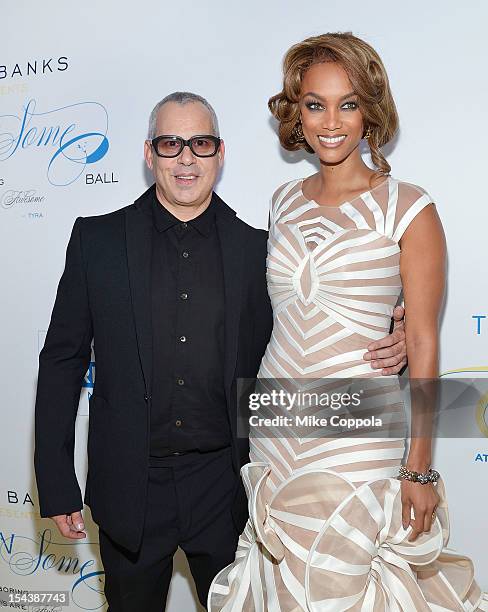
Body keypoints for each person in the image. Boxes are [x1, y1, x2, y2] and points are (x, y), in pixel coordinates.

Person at [34, 91, 407, 612]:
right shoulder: (97, 241)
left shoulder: (262, 251)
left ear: (220, 153)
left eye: (200, 143)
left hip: (230, 489)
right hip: (129, 488)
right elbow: (61, 363)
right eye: (171, 143)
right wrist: (55, 482)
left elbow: (317, 331)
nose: (186, 157)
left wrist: (396, 331)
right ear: (150, 154)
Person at [208, 33, 487, 611]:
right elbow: (287, 315)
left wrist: (418, 470)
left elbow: (426, 346)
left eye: (348, 103)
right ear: (297, 113)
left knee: (348, 586)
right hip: (276, 423)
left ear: (371, 111)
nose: (330, 122)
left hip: (359, 429)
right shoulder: (283, 201)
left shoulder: (408, 207)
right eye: (315, 104)